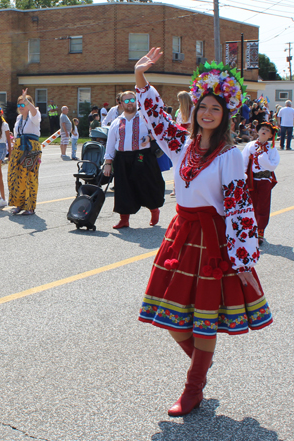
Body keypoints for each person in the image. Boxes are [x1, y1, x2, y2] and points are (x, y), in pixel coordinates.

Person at [135, 48, 272, 417]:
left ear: (224, 115)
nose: (207, 113)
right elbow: (157, 119)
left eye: (215, 109)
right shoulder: (182, 144)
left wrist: (242, 258)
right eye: (202, 107)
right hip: (180, 232)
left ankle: (193, 387)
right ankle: (202, 365)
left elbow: (239, 207)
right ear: (194, 110)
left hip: (211, 238)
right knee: (171, 313)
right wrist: (140, 77)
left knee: (203, 316)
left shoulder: (230, 155)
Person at [103, 91, 164, 229]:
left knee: (147, 186)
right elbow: (111, 144)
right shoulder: (116, 122)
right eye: (126, 100)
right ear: (121, 103)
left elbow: (159, 131)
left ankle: (154, 210)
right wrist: (108, 163)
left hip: (143, 156)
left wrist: (149, 138)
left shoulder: (145, 117)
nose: (130, 102)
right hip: (122, 158)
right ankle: (124, 219)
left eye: (132, 99)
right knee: (123, 188)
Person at [242, 122, 280, 245]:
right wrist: (242, 176)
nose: (264, 130)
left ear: (270, 135)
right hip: (251, 180)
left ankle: (260, 231)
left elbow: (272, 166)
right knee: (250, 204)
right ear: (257, 132)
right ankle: (249, 229)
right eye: (262, 128)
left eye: (267, 130)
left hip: (264, 180)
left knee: (263, 206)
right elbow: (243, 161)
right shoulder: (250, 145)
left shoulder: (272, 149)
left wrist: (261, 157)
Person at [8, 88, 42, 215]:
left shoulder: (34, 115)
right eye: (19, 104)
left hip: (31, 148)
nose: (21, 106)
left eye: (24, 104)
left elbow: (34, 112)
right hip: (18, 147)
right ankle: (19, 204)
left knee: (30, 177)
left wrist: (26, 100)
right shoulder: (18, 118)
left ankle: (30, 206)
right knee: (16, 176)